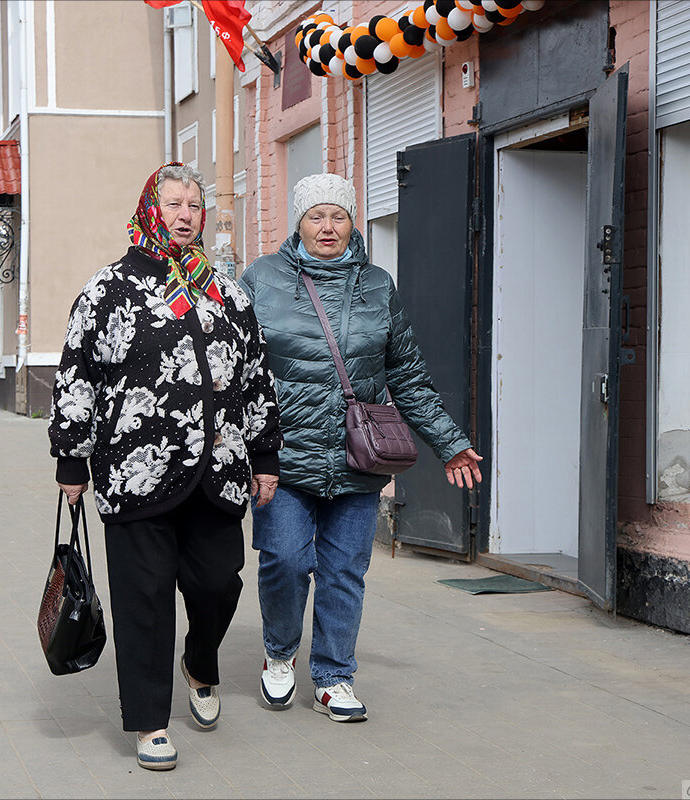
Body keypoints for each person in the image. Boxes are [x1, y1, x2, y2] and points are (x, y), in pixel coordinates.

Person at [49, 162, 282, 771]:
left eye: (193, 206)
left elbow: (255, 376)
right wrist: (71, 459)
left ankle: (200, 662)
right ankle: (150, 720)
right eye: (173, 203)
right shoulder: (110, 288)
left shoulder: (226, 291)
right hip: (136, 472)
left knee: (218, 582)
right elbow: (77, 374)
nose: (184, 215)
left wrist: (264, 453)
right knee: (144, 597)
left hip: (220, 470)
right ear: (151, 208)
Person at [239, 173, 483, 724]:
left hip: (358, 458)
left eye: (339, 216)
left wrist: (450, 444)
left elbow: (409, 376)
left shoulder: (377, 285)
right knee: (284, 559)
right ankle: (279, 653)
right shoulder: (262, 279)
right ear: (298, 222)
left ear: (353, 222)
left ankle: (333, 675)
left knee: (345, 568)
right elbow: (238, 371)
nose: (328, 227)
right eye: (315, 216)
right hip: (283, 460)